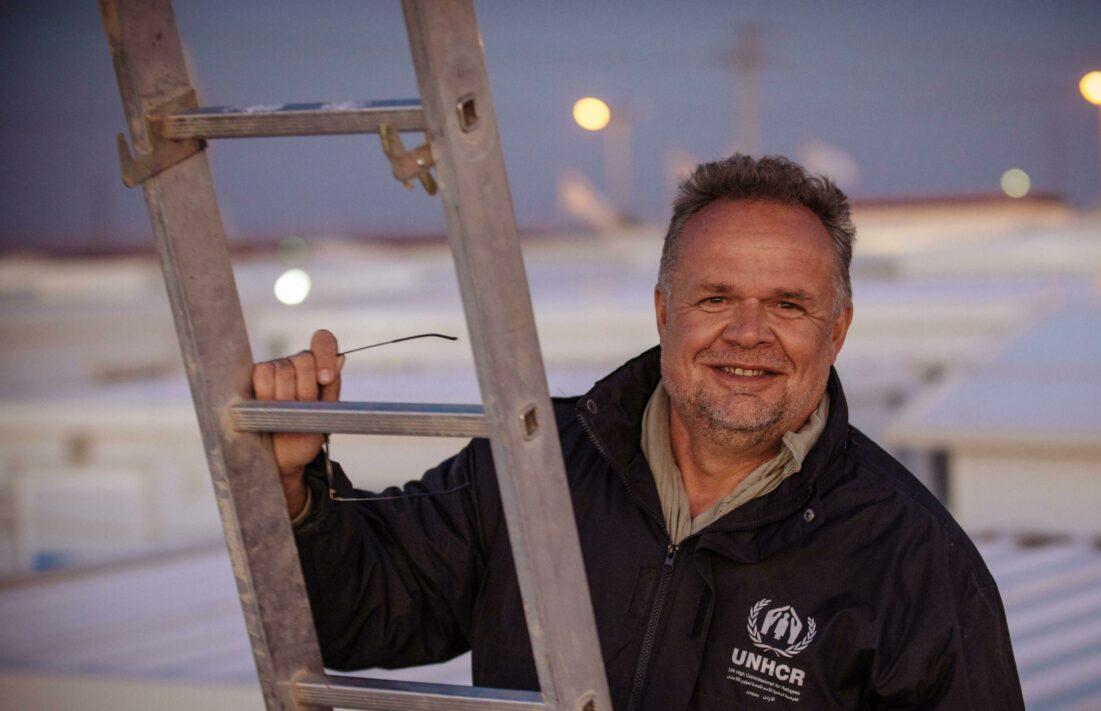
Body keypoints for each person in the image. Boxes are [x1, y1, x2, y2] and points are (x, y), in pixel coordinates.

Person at [254, 155, 1024, 709]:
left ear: (839, 329)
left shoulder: (918, 564)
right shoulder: (532, 465)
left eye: (788, 305)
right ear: (664, 312)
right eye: (716, 297)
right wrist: (295, 490)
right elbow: (361, 614)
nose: (749, 334)